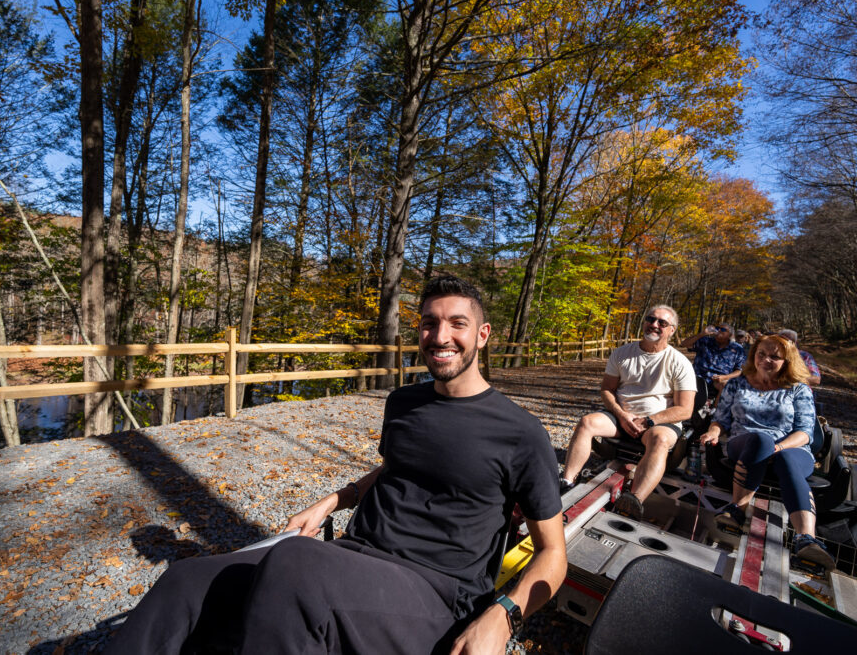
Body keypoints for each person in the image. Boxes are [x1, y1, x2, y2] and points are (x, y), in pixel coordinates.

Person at [104, 275, 567, 655]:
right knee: (187, 580)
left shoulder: (521, 433)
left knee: (295, 565)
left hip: (436, 593)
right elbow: (397, 470)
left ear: (482, 335)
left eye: (457, 324)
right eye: (430, 323)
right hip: (353, 559)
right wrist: (335, 499)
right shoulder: (405, 403)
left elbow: (553, 555)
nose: (440, 337)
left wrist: (503, 617)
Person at [699, 334, 834, 569]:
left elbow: (805, 432)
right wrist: (712, 432)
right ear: (753, 355)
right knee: (760, 440)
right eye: (761, 354)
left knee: (787, 458)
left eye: (775, 356)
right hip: (745, 443)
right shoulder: (737, 383)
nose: (766, 360)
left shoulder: (798, 389)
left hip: (790, 447)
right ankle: (737, 509)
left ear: (787, 360)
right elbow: (721, 420)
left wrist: (779, 447)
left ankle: (806, 539)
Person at [560, 305, 696, 521]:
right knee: (587, 422)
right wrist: (622, 416)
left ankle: (633, 500)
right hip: (621, 416)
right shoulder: (622, 353)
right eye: (650, 319)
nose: (654, 325)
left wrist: (650, 420)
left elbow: (685, 409)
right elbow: (607, 389)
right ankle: (566, 482)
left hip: (658, 422)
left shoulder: (680, 363)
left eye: (662, 323)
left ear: (672, 330)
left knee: (660, 440)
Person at [680, 322, 747, 406]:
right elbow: (684, 344)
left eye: (723, 329)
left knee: (726, 385)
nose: (719, 330)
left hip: (718, 381)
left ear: (730, 334)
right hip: (698, 378)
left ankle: (715, 411)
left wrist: (725, 377)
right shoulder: (705, 341)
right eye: (717, 328)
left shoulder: (737, 349)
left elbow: (740, 370)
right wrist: (702, 334)